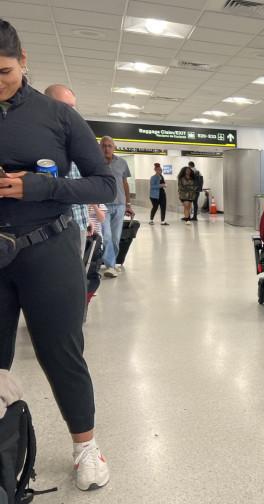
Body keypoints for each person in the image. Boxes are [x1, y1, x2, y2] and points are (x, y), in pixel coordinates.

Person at [0, 18, 115, 490]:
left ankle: (86, 448)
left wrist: (39, 186)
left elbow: (104, 183)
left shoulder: (59, 117)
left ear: (24, 61)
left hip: (48, 248)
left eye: (3, 71)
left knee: (62, 353)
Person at [43, 85, 91, 250]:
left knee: (78, 272)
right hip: (53, 227)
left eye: (72, 107)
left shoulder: (75, 140)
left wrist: (87, 218)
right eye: (65, 107)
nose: (70, 113)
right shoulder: (38, 141)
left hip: (79, 221)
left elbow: (84, 181)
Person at [98, 136, 132, 277]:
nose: (106, 148)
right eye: (104, 145)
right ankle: (110, 265)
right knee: (106, 236)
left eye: (109, 145)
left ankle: (111, 263)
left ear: (114, 147)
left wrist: (128, 204)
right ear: (100, 147)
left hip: (119, 204)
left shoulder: (122, 163)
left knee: (115, 238)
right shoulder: (96, 163)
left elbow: (124, 184)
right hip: (102, 205)